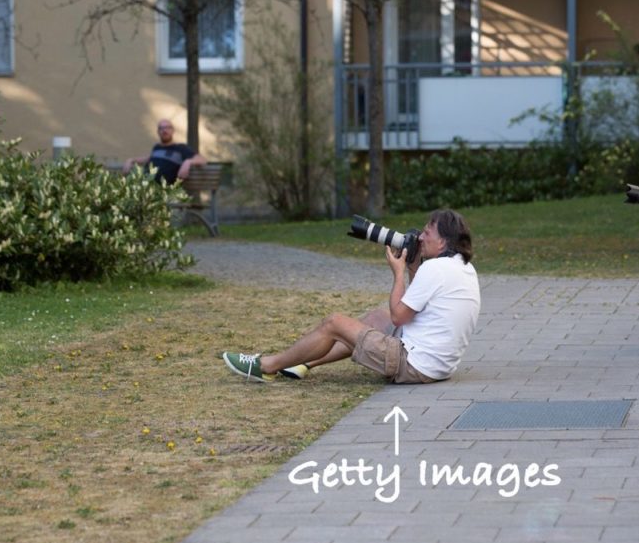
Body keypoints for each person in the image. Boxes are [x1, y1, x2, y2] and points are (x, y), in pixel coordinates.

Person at [222, 209, 481, 383]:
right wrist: (414, 269)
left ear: (444, 241)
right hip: (439, 366)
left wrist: (399, 272)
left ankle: (266, 366)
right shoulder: (462, 267)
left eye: (427, 233)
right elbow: (418, 306)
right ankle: (302, 364)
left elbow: (400, 316)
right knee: (376, 318)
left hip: (414, 365)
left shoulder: (435, 268)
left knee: (334, 323)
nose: (420, 237)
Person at [122, 118, 206, 183]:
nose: (164, 130)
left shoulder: (181, 148)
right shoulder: (157, 148)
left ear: (173, 130)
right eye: (161, 128)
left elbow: (202, 160)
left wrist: (188, 162)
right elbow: (148, 158)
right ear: (158, 132)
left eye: (167, 128)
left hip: (167, 191)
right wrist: (131, 160)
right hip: (147, 188)